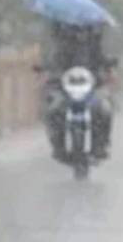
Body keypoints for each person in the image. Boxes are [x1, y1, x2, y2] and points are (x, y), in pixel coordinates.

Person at [41, 21, 115, 159]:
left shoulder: (94, 46)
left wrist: (108, 68)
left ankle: (102, 143)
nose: (79, 33)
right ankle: (57, 144)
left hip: (91, 89)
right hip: (65, 89)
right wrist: (49, 73)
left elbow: (103, 61)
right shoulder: (62, 46)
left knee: (105, 111)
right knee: (53, 110)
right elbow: (53, 63)